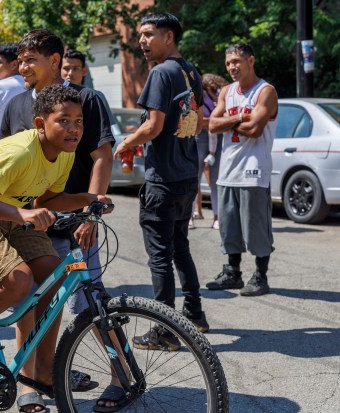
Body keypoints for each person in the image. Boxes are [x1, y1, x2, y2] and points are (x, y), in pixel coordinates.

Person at [0, 84, 110, 413]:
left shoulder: (65, 153)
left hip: (7, 212)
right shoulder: (21, 151)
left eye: (78, 121)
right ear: (40, 124)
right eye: (64, 121)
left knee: (56, 276)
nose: (73, 129)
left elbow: (47, 200)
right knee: (18, 281)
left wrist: (88, 199)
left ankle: (43, 373)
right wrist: (23, 213)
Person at [0, 29, 115, 411]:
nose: (22, 66)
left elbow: (102, 156)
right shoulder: (16, 103)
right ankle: (31, 381)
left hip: (74, 219)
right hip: (31, 224)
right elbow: (0, 161)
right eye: (20, 59)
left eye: (30, 58)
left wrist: (90, 213)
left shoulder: (87, 99)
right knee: (35, 301)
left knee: (91, 300)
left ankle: (120, 377)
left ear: (55, 60)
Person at [113, 13, 209, 350]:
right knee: (180, 248)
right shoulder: (190, 71)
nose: (142, 40)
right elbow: (194, 123)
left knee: (159, 256)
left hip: (164, 180)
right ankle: (194, 314)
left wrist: (125, 142)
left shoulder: (161, 72)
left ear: (169, 37)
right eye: (140, 34)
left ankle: (166, 332)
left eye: (149, 34)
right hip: (185, 176)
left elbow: (153, 126)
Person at [206, 43, 278, 296]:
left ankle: (260, 276)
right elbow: (213, 125)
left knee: (256, 228)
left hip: (253, 170)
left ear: (251, 61)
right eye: (228, 63)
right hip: (227, 170)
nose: (232, 67)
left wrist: (228, 122)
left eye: (236, 61)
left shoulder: (265, 91)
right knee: (228, 228)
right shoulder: (227, 91)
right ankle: (232, 273)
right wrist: (239, 118)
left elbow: (256, 129)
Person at [190, 73, 229, 230]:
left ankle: (217, 217)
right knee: (194, 179)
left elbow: (224, 117)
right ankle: (189, 217)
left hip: (217, 137)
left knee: (216, 179)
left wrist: (213, 121)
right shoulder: (195, 95)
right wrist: (212, 122)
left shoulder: (218, 96)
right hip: (199, 137)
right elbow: (195, 121)